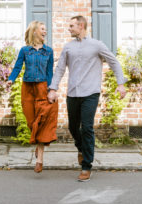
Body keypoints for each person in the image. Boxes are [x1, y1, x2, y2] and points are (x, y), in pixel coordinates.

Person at [48, 15, 126, 182]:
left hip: (91, 93)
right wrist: (53, 88)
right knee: (73, 127)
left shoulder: (97, 45)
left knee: (87, 128)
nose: (69, 29)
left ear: (81, 25)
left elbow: (114, 62)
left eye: (71, 26)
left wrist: (120, 83)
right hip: (73, 93)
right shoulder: (68, 47)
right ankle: (82, 149)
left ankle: (86, 166)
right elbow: (60, 69)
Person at [8, 21, 58, 173]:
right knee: (31, 121)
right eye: (43, 29)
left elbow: (50, 72)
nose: (45, 32)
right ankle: (38, 144)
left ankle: (40, 160)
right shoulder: (25, 50)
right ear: (35, 31)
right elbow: (17, 66)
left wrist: (51, 89)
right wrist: (11, 78)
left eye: (46, 29)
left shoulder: (48, 51)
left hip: (43, 88)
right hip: (27, 88)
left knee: (42, 121)